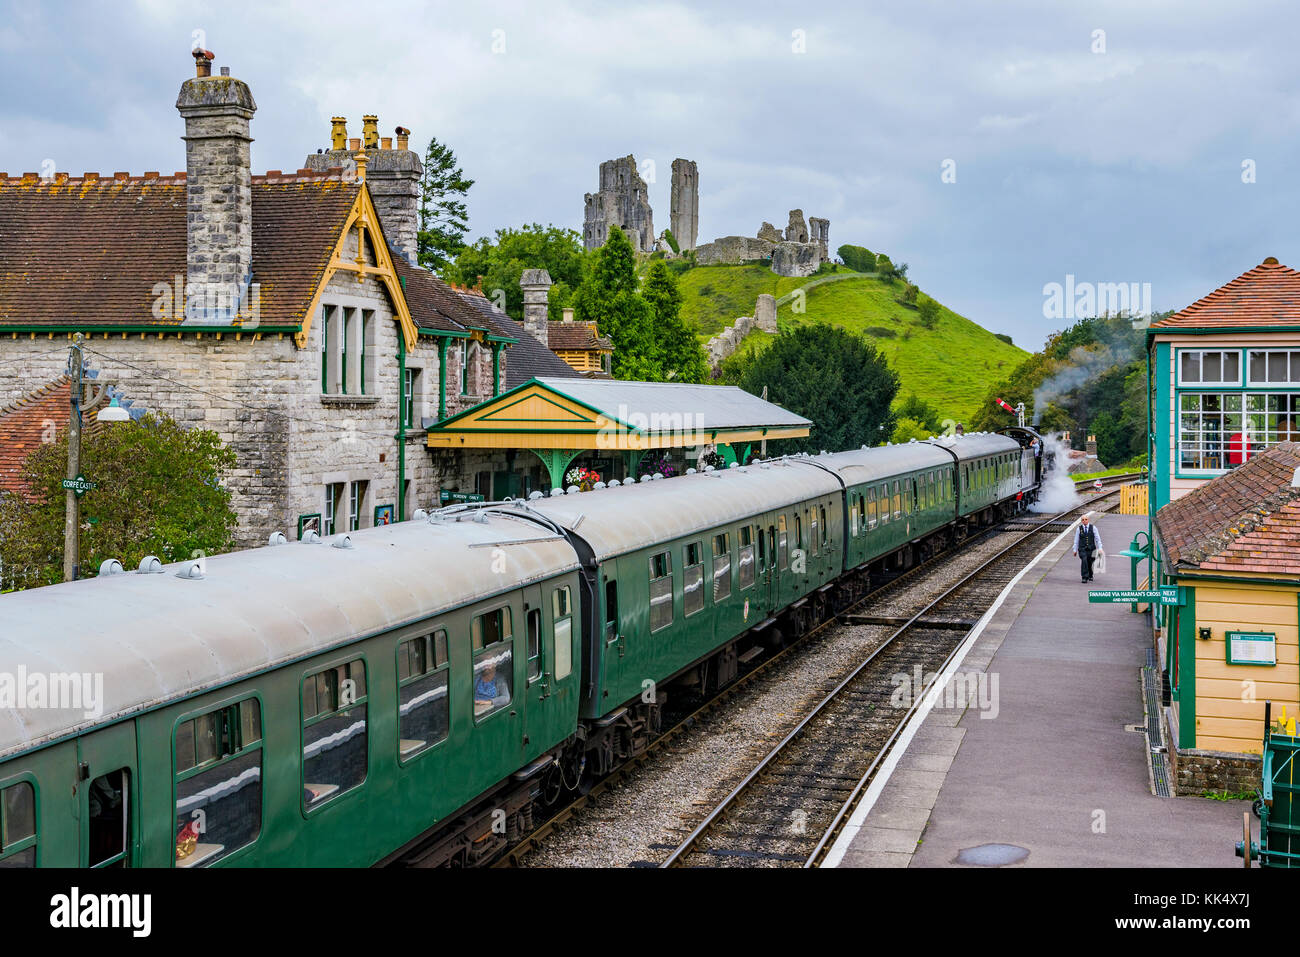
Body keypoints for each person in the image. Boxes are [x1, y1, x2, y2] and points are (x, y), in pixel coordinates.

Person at [1072, 513, 1103, 583]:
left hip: (1091, 549)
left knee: (1090, 563)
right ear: (1081, 521)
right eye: (1083, 520)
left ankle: (1090, 575)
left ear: (1088, 520)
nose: (1084, 521)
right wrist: (1075, 550)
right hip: (1082, 549)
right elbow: (1076, 540)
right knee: (1084, 560)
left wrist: (1100, 548)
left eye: (1086, 519)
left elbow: (1098, 539)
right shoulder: (1079, 529)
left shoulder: (1093, 528)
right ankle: (1084, 577)